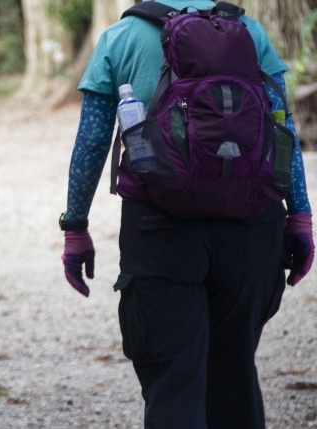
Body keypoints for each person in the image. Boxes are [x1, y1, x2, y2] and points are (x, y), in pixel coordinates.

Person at [60, 0, 314, 428]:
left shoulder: (119, 39)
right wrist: (299, 217)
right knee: (234, 375)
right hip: (252, 227)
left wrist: (75, 227)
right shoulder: (248, 31)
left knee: (174, 382)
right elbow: (282, 127)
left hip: (160, 230)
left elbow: (92, 140)